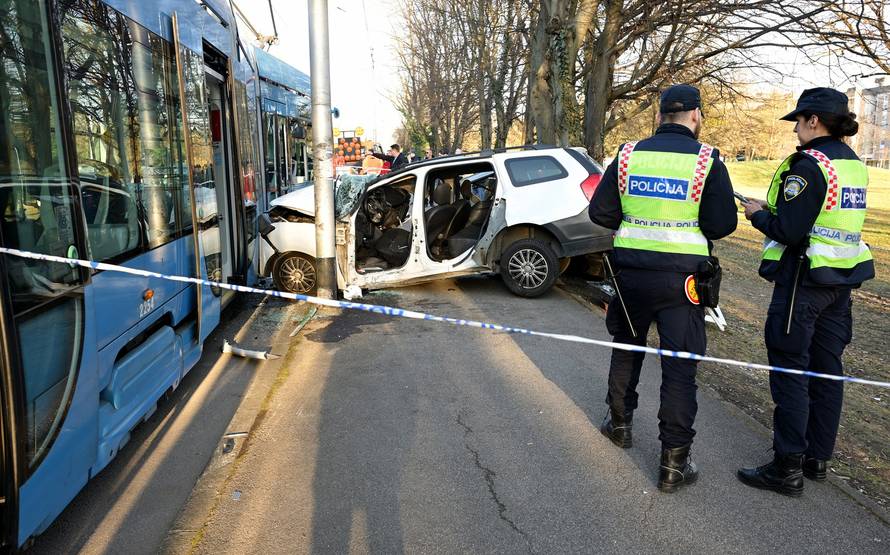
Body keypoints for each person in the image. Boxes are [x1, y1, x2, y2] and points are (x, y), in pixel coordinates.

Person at [588, 84, 737, 493]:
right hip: (682, 281)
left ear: (659, 117)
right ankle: (674, 462)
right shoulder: (708, 160)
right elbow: (723, 224)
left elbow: (600, 211)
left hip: (631, 274)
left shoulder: (629, 155)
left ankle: (619, 425)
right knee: (679, 368)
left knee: (627, 348)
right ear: (696, 116)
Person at [737, 87, 874, 497]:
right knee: (827, 370)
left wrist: (759, 215)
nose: (795, 129)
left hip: (804, 282)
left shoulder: (809, 165)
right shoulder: (853, 165)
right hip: (841, 282)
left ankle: (786, 466)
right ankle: (816, 458)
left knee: (791, 369)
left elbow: (790, 232)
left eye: (798, 121)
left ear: (814, 120)